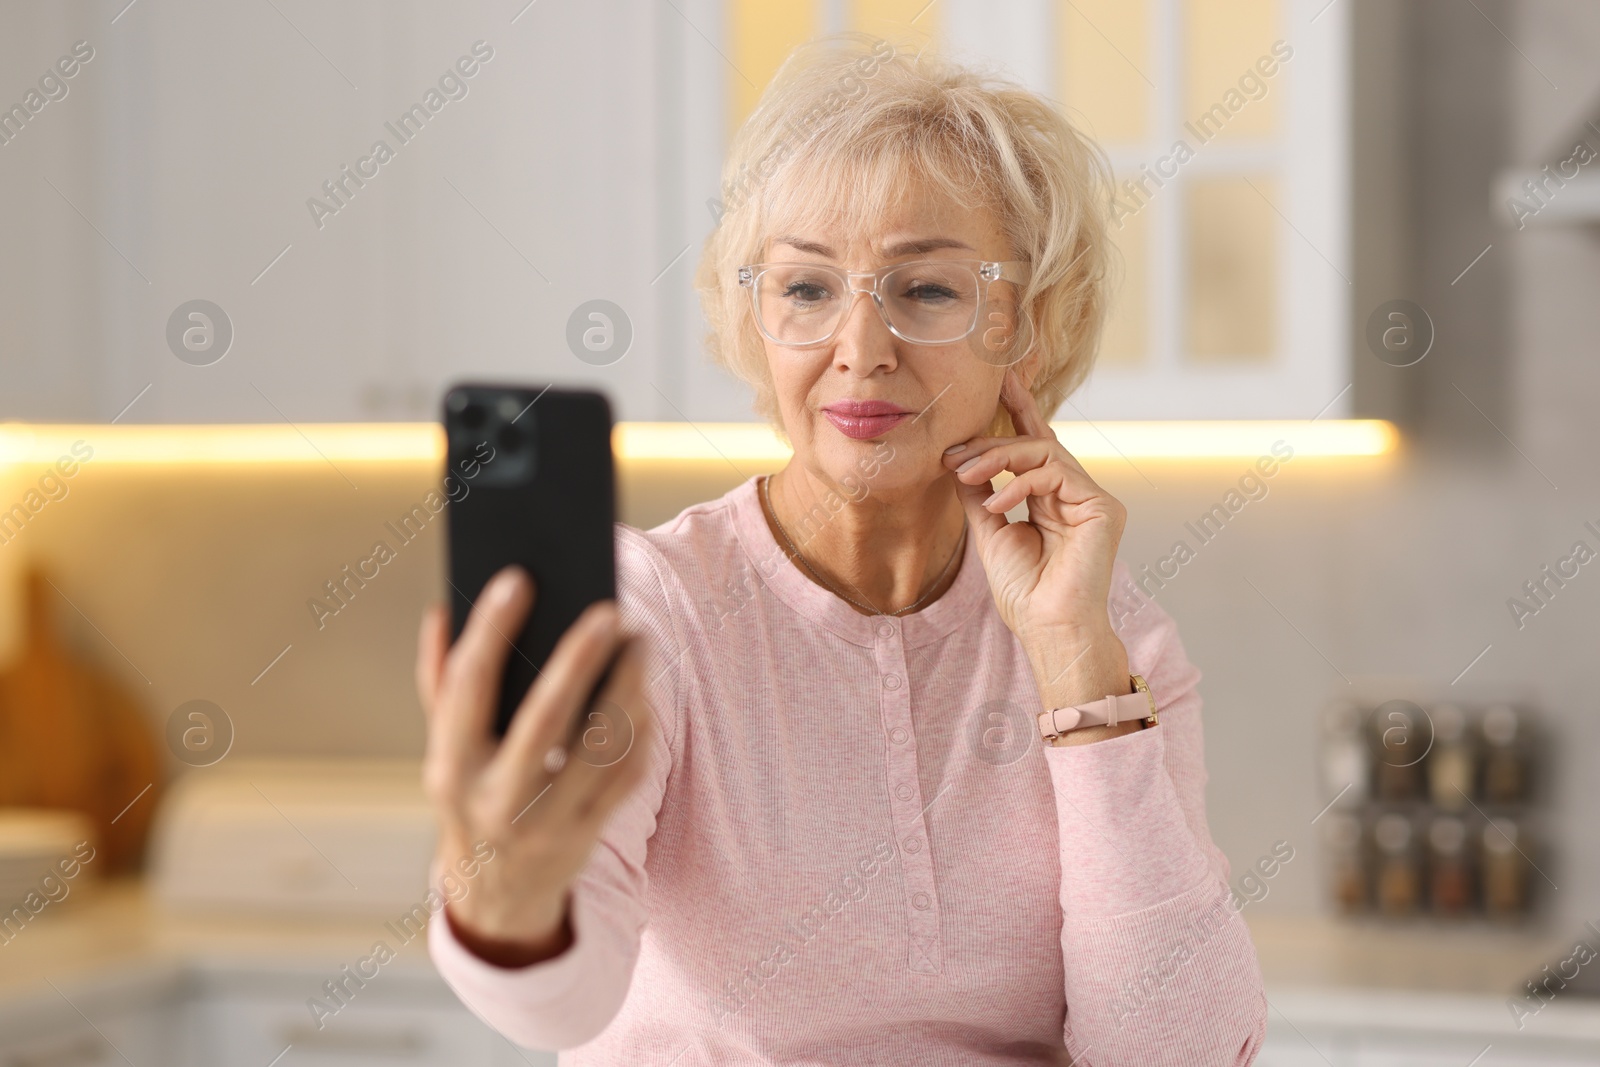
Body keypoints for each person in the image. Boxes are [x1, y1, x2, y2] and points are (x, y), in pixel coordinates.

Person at [415, 33, 1267, 1066]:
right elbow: (560, 1009)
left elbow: (1173, 1053)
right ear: (755, 319)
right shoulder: (658, 611)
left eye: (926, 290)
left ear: (1025, 325)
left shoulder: (1109, 629)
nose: (859, 349)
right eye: (808, 290)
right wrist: (503, 897)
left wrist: (1071, 658)